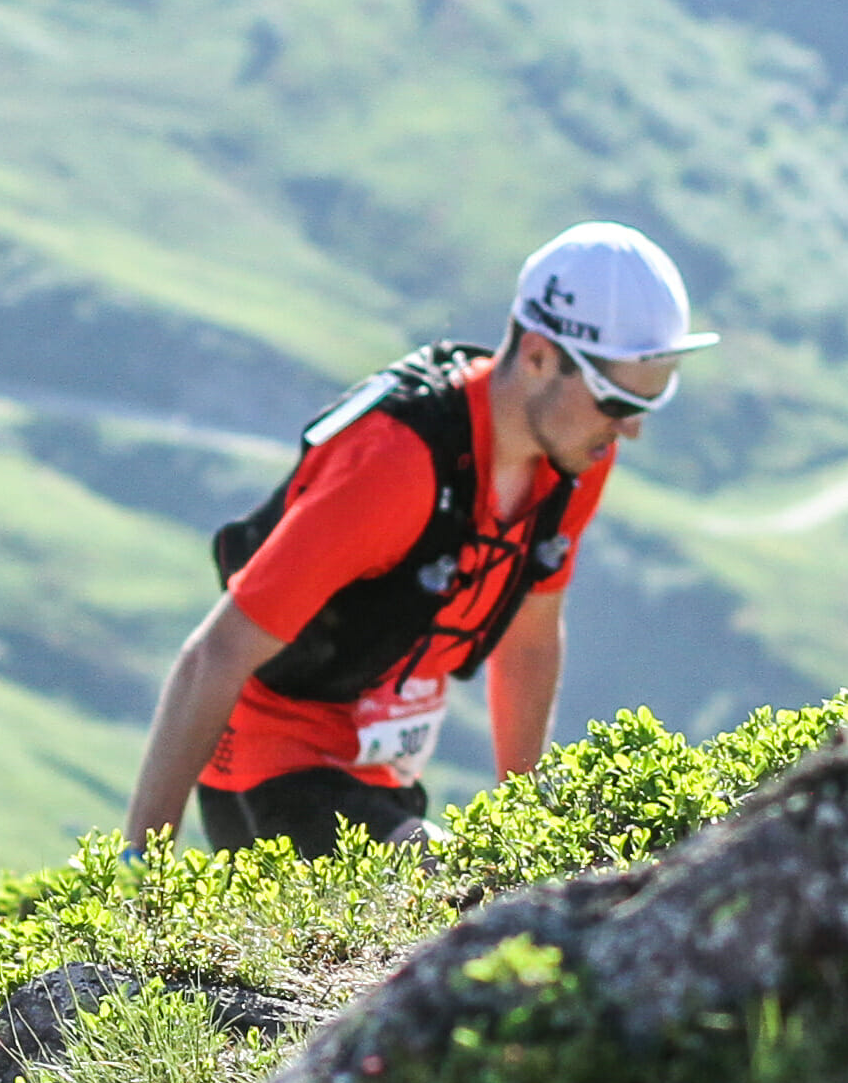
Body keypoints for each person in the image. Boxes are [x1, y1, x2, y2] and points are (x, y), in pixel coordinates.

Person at [122, 222, 718, 857]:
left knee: (496, 888)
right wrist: (139, 863)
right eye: (615, 402)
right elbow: (214, 654)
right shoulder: (396, 465)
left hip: (379, 775)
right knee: (446, 884)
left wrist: (528, 822)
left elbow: (530, 639)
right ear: (540, 355)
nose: (628, 432)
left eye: (643, 406)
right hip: (271, 766)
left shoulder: (575, 459)